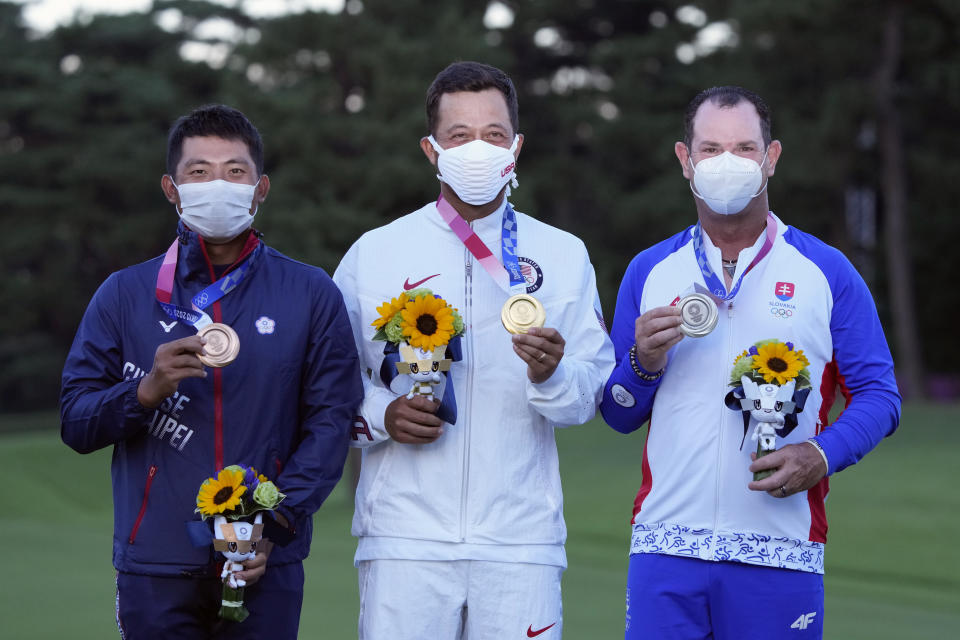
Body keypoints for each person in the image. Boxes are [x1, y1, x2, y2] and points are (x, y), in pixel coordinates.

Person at [600, 86, 901, 639]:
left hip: (781, 553)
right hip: (666, 548)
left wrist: (821, 452)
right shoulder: (650, 271)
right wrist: (643, 362)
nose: (727, 163)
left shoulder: (826, 272)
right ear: (685, 161)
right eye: (710, 149)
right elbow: (617, 413)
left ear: (772, 157)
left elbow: (881, 395)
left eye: (744, 148)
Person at [333, 61, 615, 639]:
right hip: (404, 538)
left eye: (493, 135)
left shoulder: (562, 253)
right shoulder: (375, 252)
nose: (477, 149)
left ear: (516, 146)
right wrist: (381, 415)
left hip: (521, 541)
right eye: (459, 136)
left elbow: (588, 394)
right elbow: (327, 386)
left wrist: (553, 374)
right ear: (431, 150)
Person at [60, 104, 363, 639]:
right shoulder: (124, 294)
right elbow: (77, 423)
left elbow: (331, 422)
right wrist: (144, 391)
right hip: (154, 565)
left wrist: (276, 525)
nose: (217, 184)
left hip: (264, 559)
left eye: (235, 171)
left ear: (260, 187)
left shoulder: (312, 292)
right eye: (199, 172)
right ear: (171, 188)